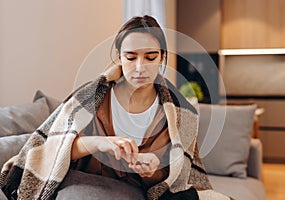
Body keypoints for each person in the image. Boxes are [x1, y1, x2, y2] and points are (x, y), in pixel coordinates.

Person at [0, 15, 230, 200]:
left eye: (150, 57)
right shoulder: (89, 99)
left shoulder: (182, 114)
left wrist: (153, 171)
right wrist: (99, 143)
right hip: (87, 185)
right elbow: (52, 150)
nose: (140, 67)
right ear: (119, 57)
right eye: (131, 57)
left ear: (162, 57)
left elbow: (178, 179)